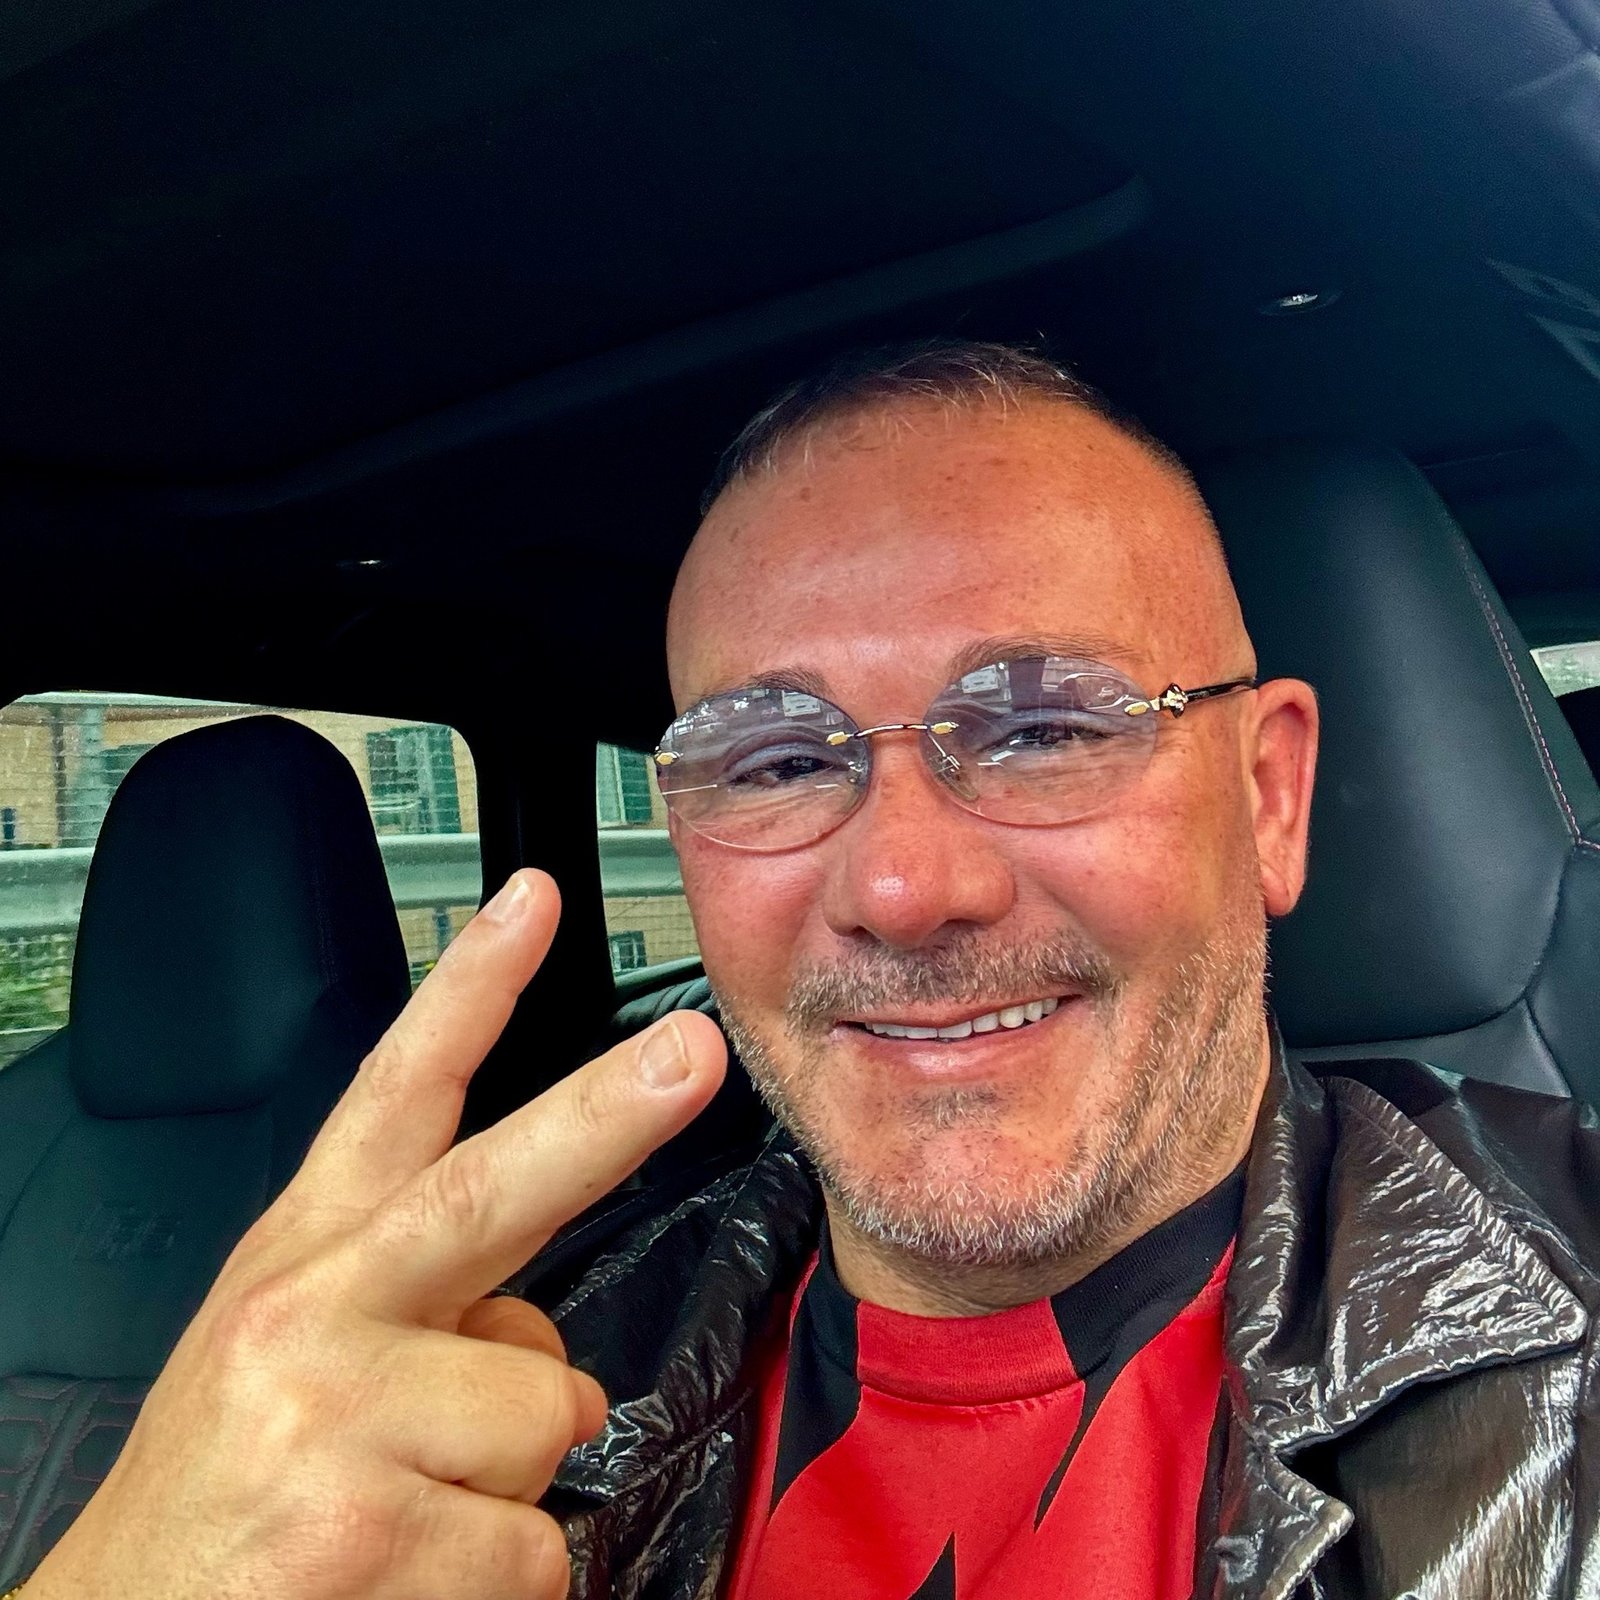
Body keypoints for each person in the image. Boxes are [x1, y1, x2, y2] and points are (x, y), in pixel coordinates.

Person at [14, 342, 1600, 1600]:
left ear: (1268, 798)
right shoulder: (486, 1380)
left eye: (1044, 727)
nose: (905, 889)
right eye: (775, 761)